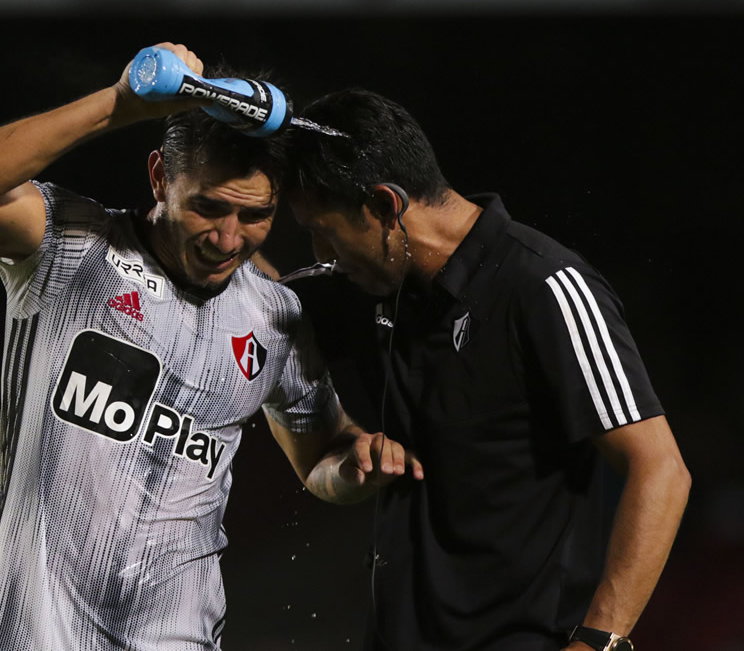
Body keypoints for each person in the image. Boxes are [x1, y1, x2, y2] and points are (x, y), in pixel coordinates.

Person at [0, 44, 421, 651]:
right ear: (161, 177)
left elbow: (322, 454)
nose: (227, 238)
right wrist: (120, 103)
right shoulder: (73, 248)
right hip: (34, 634)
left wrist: (355, 467)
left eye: (255, 216)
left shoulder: (274, 315)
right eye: (207, 208)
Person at [282, 88, 691, 651]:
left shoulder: (543, 285)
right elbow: (255, 291)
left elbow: (661, 470)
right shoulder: (384, 282)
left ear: (383, 206)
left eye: (323, 230)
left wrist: (599, 642)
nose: (321, 251)